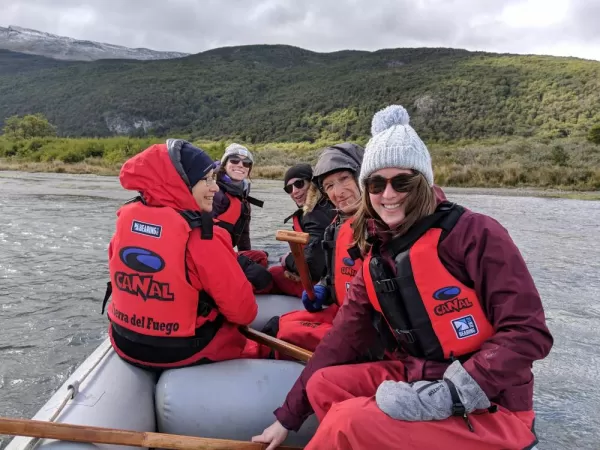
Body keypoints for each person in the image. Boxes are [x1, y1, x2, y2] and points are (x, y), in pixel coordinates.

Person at [252, 106, 553, 449]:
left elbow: (528, 333)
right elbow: (342, 338)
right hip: (417, 373)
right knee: (324, 384)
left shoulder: (475, 234)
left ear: (424, 182)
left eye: (402, 182)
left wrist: (453, 392)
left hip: (493, 404)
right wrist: (287, 418)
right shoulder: (376, 252)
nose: (388, 194)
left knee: (346, 423)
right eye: (376, 184)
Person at [102, 139, 269, 371]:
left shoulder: (125, 224)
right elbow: (244, 313)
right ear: (182, 183)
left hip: (123, 341)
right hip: (184, 350)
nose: (215, 187)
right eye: (207, 180)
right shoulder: (205, 235)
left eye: (214, 178)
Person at [272, 144, 365, 354]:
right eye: (329, 185)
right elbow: (337, 271)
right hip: (345, 312)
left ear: (362, 177)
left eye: (344, 179)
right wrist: (326, 288)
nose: (338, 192)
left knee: (284, 329)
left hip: (367, 328)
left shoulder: (383, 226)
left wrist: (288, 260)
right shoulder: (337, 226)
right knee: (282, 325)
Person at [268, 163, 336, 297]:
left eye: (299, 184)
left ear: (312, 184)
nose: (294, 191)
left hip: (325, 287)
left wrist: (287, 259)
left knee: (273, 273)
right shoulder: (326, 206)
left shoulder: (316, 215)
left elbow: (312, 267)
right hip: (329, 275)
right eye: (289, 188)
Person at [213, 143, 271, 293]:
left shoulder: (242, 198)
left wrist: (247, 261)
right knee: (261, 276)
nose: (240, 165)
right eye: (234, 160)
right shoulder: (215, 193)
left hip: (227, 254)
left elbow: (244, 237)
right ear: (225, 163)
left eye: (246, 163)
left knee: (261, 257)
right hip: (211, 256)